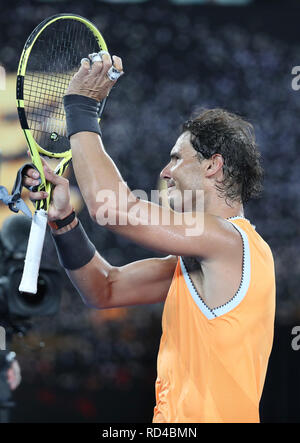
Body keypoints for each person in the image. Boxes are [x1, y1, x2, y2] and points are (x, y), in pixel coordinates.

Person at [23, 52, 276, 423]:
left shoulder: (227, 239)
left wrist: (80, 108)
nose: (165, 171)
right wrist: (63, 220)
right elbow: (104, 289)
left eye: (176, 158)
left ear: (213, 165)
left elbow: (112, 209)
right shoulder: (200, 263)